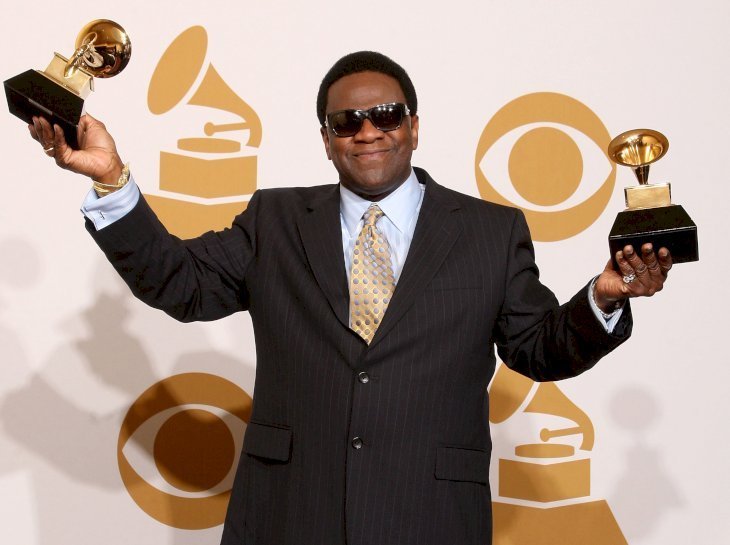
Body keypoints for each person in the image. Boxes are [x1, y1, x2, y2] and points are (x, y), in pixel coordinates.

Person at [29, 51, 671, 545]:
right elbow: (180, 283)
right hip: (287, 516)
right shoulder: (274, 221)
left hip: (431, 518)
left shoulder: (488, 231)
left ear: (414, 127)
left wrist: (606, 297)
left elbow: (537, 349)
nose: (368, 131)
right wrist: (112, 180)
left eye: (386, 115)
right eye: (347, 121)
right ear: (327, 137)